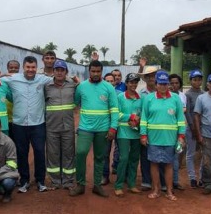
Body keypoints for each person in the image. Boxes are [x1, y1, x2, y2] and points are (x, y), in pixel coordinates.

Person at [70, 60, 119, 198]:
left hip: (103, 129)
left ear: (101, 72)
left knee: (100, 157)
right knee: (80, 153)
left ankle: (97, 185)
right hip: (85, 127)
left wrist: (113, 128)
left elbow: (114, 109)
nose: (96, 74)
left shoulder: (109, 88)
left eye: (98, 71)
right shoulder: (81, 87)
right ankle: (80, 184)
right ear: (89, 71)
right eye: (93, 71)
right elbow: (75, 103)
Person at [3, 56, 52, 193]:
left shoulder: (42, 79)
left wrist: (75, 80)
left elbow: (59, 78)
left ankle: (40, 181)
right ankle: (24, 181)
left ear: (37, 68)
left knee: (40, 152)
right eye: (28, 67)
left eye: (33, 67)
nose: (30, 70)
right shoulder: (13, 79)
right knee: (22, 153)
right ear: (23, 68)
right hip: (19, 124)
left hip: (38, 124)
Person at [140, 70, 186, 201]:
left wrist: (181, 136)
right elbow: (144, 118)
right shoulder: (149, 98)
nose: (163, 86)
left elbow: (180, 119)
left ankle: (170, 191)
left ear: (168, 85)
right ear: (156, 84)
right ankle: (156, 190)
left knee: (169, 164)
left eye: (165, 84)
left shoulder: (175, 98)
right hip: (153, 138)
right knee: (154, 164)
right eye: (160, 84)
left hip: (170, 138)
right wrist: (143, 134)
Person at [44, 59, 77, 189]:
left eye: (62, 70)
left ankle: (68, 181)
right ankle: (55, 181)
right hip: (51, 127)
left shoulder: (72, 85)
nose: (59, 72)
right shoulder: (46, 87)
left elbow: (79, 98)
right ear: (53, 72)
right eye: (57, 70)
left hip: (68, 126)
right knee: (53, 154)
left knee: (69, 153)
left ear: (66, 72)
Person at [114, 73, 143, 196]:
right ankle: (119, 185)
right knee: (124, 158)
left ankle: (132, 184)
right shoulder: (120, 97)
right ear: (126, 83)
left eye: (135, 82)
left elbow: (142, 115)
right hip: (123, 133)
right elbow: (117, 114)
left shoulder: (140, 98)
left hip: (136, 133)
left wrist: (137, 121)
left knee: (134, 159)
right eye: (131, 82)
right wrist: (130, 117)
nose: (133, 84)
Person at [137, 62, 160, 191]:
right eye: (149, 76)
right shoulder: (141, 94)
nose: (151, 78)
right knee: (145, 155)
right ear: (145, 78)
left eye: (153, 76)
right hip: (146, 128)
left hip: (159, 130)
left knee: (160, 156)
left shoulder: (162, 92)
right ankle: (146, 181)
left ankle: (161, 182)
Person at [184, 70, 204, 188]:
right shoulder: (188, 95)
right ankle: (192, 178)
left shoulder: (204, 94)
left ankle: (202, 177)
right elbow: (188, 113)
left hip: (203, 128)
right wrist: (193, 128)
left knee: (204, 153)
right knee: (190, 153)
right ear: (190, 81)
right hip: (191, 128)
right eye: (194, 79)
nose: (197, 82)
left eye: (199, 79)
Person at [169, 73, 187, 191]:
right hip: (167, 131)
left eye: (176, 83)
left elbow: (183, 111)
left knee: (176, 157)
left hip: (179, 131)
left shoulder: (182, 96)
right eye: (172, 83)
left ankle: (175, 181)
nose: (174, 85)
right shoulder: (165, 96)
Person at [6, 60, 20, 137]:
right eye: (11, 67)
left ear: (19, 69)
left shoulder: (22, 82)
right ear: (7, 68)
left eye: (16, 68)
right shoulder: (3, 81)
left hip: (18, 121)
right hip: (5, 120)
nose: (13, 69)